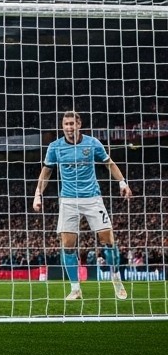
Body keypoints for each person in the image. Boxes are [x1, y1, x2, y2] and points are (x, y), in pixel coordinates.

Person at [33, 110, 133, 301]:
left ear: (79, 124)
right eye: (66, 124)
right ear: (62, 126)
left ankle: (116, 278)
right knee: (68, 246)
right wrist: (38, 194)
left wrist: (122, 183)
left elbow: (109, 163)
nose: (69, 127)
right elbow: (46, 173)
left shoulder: (92, 143)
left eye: (72, 123)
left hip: (92, 198)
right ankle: (75, 288)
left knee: (108, 239)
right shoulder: (55, 147)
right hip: (68, 201)